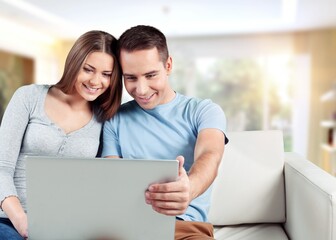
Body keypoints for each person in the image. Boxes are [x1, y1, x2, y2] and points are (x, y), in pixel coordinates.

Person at [102, 25, 228, 239]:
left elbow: (210, 155)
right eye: (131, 78)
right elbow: (112, 180)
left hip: (185, 228)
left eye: (151, 75)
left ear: (168, 65)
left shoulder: (204, 111)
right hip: (126, 229)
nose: (141, 90)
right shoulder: (115, 119)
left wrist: (190, 188)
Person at [0, 30, 122, 239]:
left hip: (67, 226)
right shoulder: (29, 97)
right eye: (88, 69)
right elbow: (1, 168)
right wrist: (22, 221)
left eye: (106, 74)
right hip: (10, 220)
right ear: (74, 63)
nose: (95, 81)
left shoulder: (105, 118)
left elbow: (99, 182)